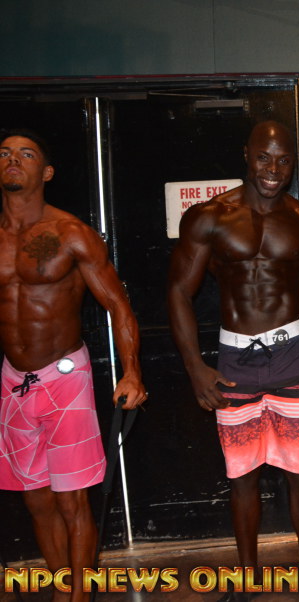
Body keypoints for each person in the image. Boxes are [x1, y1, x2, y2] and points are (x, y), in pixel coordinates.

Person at [168, 121, 299, 601]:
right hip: (235, 361)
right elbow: (179, 292)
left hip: (291, 357)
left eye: (284, 160)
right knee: (242, 477)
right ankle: (248, 581)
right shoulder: (208, 217)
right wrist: (195, 367)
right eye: (264, 157)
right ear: (246, 154)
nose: (273, 169)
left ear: (293, 163)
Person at [0, 129, 147, 602]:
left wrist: (132, 371)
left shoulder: (69, 233)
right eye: (5, 153)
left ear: (46, 172)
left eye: (26, 154)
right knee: (36, 499)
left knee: (71, 500)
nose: (13, 160)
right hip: (12, 381)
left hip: (65, 379)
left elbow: (118, 305)